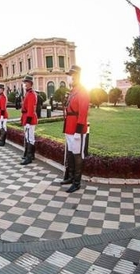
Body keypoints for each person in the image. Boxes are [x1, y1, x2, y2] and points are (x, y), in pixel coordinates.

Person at [60, 65, 90, 193]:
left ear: (76, 77)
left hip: (76, 128)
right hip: (69, 126)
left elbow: (82, 112)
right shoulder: (73, 91)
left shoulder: (82, 91)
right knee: (71, 153)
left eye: (70, 76)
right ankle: (71, 177)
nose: (68, 78)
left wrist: (78, 131)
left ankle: (77, 182)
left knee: (77, 155)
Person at [20, 75, 38, 165]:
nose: (24, 84)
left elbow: (31, 109)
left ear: (30, 83)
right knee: (28, 137)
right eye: (24, 82)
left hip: (29, 118)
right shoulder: (27, 93)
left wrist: (28, 121)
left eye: (26, 82)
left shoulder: (31, 94)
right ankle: (30, 155)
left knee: (30, 138)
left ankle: (29, 157)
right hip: (26, 117)